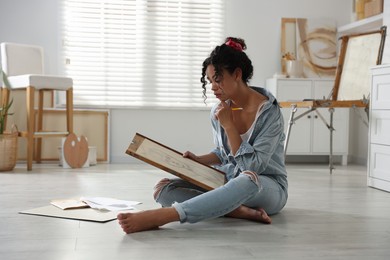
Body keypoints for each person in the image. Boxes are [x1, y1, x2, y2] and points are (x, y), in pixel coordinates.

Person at [118, 37, 288, 234]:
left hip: (266, 185)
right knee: (163, 189)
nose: (213, 87)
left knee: (247, 177)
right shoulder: (219, 110)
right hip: (229, 179)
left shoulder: (269, 112)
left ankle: (166, 216)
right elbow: (223, 153)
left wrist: (230, 126)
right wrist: (199, 161)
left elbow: (252, 167)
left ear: (237, 74)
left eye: (218, 79)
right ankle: (235, 210)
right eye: (210, 81)